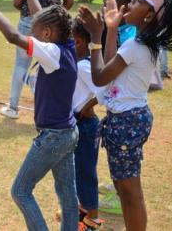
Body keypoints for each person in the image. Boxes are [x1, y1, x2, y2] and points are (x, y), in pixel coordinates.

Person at [0, 0, 79, 231]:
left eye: (36, 31)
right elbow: (41, 16)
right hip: (68, 132)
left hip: (52, 136)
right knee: (67, 196)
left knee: (21, 191)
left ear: (48, 34)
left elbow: (12, 36)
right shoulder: (67, 44)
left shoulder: (50, 52)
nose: (33, 34)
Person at [78, 0, 172, 231]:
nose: (129, 3)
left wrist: (95, 37)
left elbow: (99, 77)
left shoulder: (135, 46)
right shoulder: (139, 43)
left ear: (150, 15)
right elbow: (109, 69)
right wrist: (110, 30)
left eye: (138, 1)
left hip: (126, 122)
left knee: (130, 193)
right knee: (124, 187)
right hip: (131, 118)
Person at [5, 0, 74, 119]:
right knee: (52, 64)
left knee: (21, 64)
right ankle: (52, 107)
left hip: (30, 21)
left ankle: (12, 107)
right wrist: (54, 16)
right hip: (55, 25)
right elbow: (69, 1)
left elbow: (17, 2)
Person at [71, 21, 107, 230]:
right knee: (78, 174)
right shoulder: (77, 63)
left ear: (79, 41)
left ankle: (91, 222)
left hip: (85, 125)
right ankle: (81, 217)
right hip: (77, 124)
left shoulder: (84, 66)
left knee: (85, 175)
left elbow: (104, 90)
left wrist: (86, 107)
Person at [152, 0, 170, 78]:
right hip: (162, 20)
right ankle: (163, 70)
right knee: (163, 46)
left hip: (149, 19)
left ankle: (152, 70)